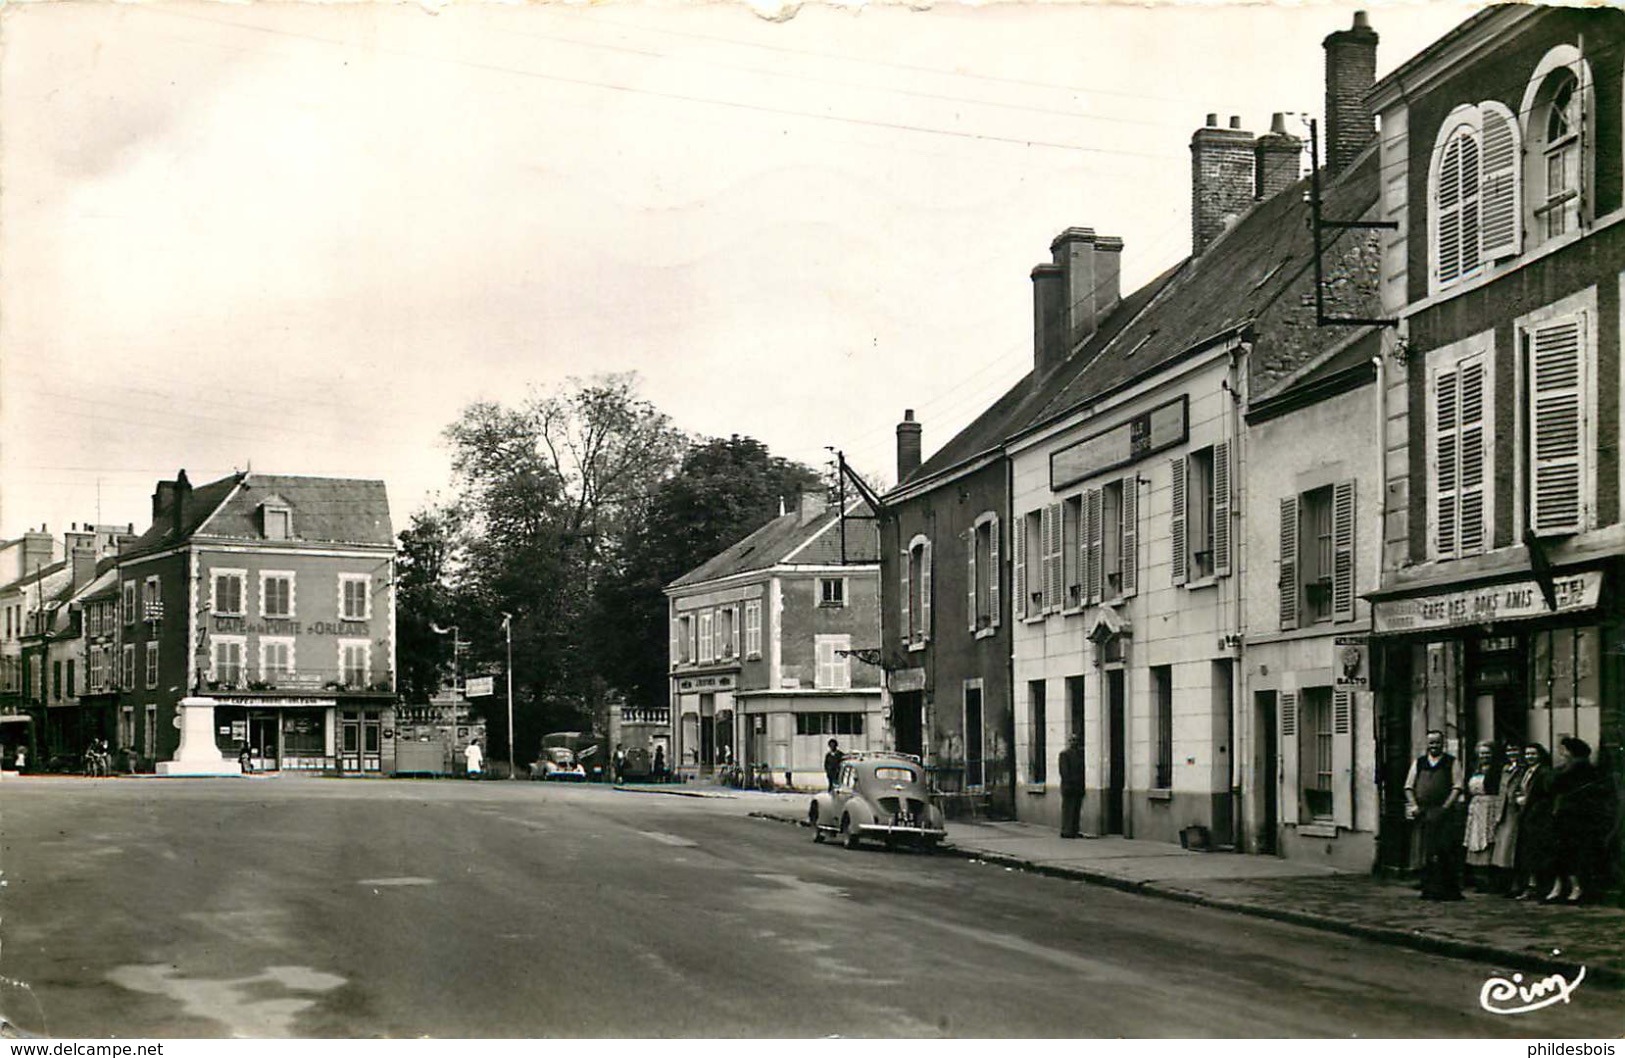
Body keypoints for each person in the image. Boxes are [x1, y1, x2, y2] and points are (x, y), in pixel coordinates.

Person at [1547, 737, 1613, 904]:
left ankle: (1574, 888)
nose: (1561, 753)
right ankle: (1565, 887)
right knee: (1564, 853)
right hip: (1567, 815)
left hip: (1575, 817)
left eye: (1564, 749)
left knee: (1572, 853)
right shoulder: (1574, 768)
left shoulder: (1578, 768)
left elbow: (1554, 784)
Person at [1404, 729, 1464, 901]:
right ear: (1427, 744)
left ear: (1442, 744)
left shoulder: (1451, 762)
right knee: (1425, 851)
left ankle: (1446, 889)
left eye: (1437, 742)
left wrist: (1445, 808)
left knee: (1443, 850)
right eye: (1431, 742)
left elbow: (1457, 787)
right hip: (1423, 812)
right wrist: (1414, 805)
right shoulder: (1419, 762)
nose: (1434, 746)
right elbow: (1408, 787)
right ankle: (1427, 885)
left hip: (1443, 813)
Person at [1513, 743, 1557, 900]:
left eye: (1533, 754)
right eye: (1527, 754)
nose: (1529, 757)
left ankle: (1539, 887)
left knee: (1537, 852)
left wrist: (1528, 801)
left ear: (1540, 755)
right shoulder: (1526, 771)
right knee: (1528, 852)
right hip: (1526, 815)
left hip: (1538, 816)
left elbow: (1545, 794)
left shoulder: (1544, 772)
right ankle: (1530, 886)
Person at [1462, 741, 1505, 891]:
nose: (1484, 756)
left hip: (1490, 805)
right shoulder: (1474, 769)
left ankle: (1492, 880)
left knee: (1489, 838)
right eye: (1482, 753)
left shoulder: (1497, 770)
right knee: (1475, 839)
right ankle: (1479, 880)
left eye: (1487, 753)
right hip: (1476, 806)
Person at [1491, 740, 1524, 895]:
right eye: (1509, 751)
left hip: (1515, 810)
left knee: (1511, 848)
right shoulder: (1505, 768)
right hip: (1503, 810)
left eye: (1515, 750)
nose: (1512, 753)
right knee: (1502, 849)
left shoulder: (1522, 768)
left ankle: (1515, 884)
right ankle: (1503, 883)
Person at [1058, 734, 1085, 839]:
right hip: (1069, 787)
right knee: (1068, 809)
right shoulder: (1064, 754)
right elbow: (1064, 771)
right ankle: (1066, 831)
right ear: (1069, 742)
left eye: (1076, 740)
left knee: (1076, 809)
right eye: (1072, 740)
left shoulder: (1081, 754)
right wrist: (1070, 782)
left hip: (1078, 787)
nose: (1074, 742)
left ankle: (1074, 830)